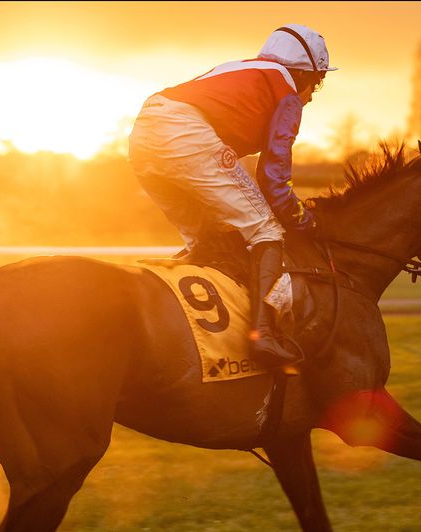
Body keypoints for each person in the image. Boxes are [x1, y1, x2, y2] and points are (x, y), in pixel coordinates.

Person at [128, 24, 336, 368]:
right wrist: (303, 219)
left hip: (143, 132)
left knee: (206, 240)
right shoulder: (286, 92)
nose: (313, 93)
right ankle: (263, 335)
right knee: (267, 231)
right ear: (301, 72)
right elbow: (273, 180)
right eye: (317, 81)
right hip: (184, 131)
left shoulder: (245, 70)